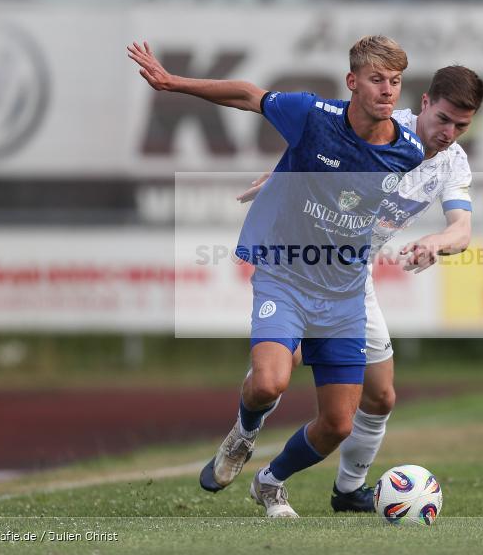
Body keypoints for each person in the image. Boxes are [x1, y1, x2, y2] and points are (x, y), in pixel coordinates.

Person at [128, 35, 425, 518]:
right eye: (376, 80)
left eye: (395, 82)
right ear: (352, 82)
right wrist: (172, 82)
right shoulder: (312, 116)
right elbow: (248, 95)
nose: (388, 91)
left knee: (338, 425)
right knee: (268, 384)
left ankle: (269, 483)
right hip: (285, 274)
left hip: (345, 295)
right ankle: (242, 437)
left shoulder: (407, 152)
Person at [237, 65, 483, 512]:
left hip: (353, 280)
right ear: (425, 103)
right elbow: (320, 147)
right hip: (303, 263)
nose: (449, 133)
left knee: (381, 396)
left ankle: (347, 490)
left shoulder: (453, 162)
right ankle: (246, 425)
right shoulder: (384, 127)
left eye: (462, 126)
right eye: (444, 119)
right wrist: (280, 179)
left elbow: (462, 230)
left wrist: (437, 242)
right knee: (277, 370)